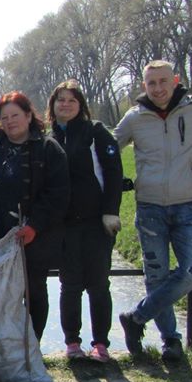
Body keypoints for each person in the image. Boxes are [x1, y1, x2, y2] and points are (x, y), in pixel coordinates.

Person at [115, 60, 192, 361]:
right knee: (156, 276)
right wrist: (114, 178)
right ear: (144, 86)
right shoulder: (135, 118)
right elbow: (109, 149)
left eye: (163, 82)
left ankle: (135, 317)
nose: (158, 89)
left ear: (175, 80)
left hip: (189, 206)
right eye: (151, 83)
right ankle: (171, 341)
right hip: (149, 208)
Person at [0, 91, 69, 342]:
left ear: (29, 115)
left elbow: (58, 195)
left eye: (15, 115)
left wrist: (34, 226)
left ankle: (31, 348)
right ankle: (2, 348)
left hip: (33, 238)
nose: (10, 121)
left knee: (33, 293)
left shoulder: (48, 149)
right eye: (4, 117)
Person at [47, 80, 123, 362]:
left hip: (95, 223)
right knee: (69, 285)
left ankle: (101, 344)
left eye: (71, 100)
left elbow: (113, 173)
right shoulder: (49, 137)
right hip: (64, 225)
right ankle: (72, 343)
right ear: (52, 106)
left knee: (98, 284)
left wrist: (110, 210)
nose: (65, 105)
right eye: (60, 100)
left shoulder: (95, 133)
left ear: (81, 106)